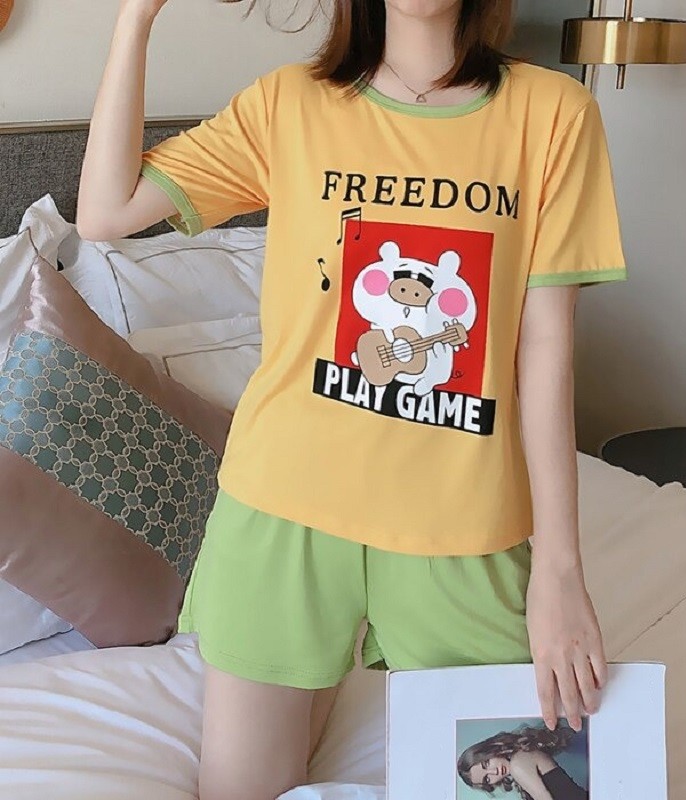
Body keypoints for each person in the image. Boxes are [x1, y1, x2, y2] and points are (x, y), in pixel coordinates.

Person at [78, 0, 626, 796]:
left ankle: (332, 669)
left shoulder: (554, 114)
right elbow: (104, 214)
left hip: (462, 517)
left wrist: (561, 574)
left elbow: (544, 351)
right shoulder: (289, 104)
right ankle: (326, 665)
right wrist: (136, 17)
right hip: (282, 508)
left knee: (503, 773)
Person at [458, 725, 588, 800]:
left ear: (489, 750)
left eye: (486, 763)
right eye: (487, 779)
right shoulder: (522, 756)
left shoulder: (517, 764)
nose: (494, 772)